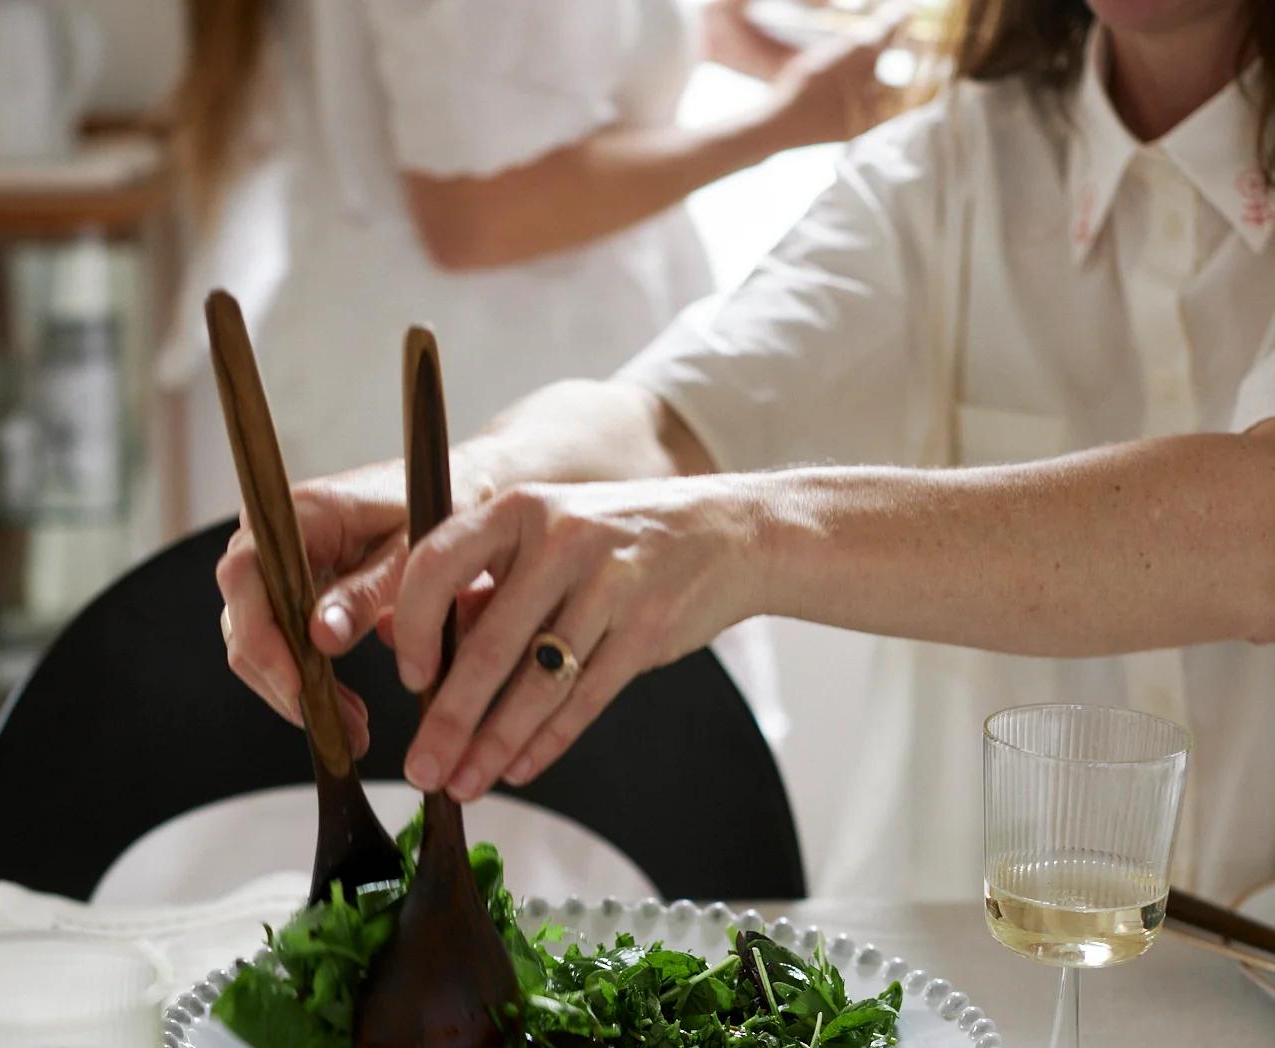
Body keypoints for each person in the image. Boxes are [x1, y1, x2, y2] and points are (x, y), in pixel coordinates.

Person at [218, 0, 1275, 904]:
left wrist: (755, 536)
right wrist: (457, 492)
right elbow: (671, 415)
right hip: (975, 1014)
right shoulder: (949, 164)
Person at [163, 0, 900, 523]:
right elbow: (476, 214)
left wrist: (693, 30)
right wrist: (785, 122)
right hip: (484, 397)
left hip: (414, 378)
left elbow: (494, 68)